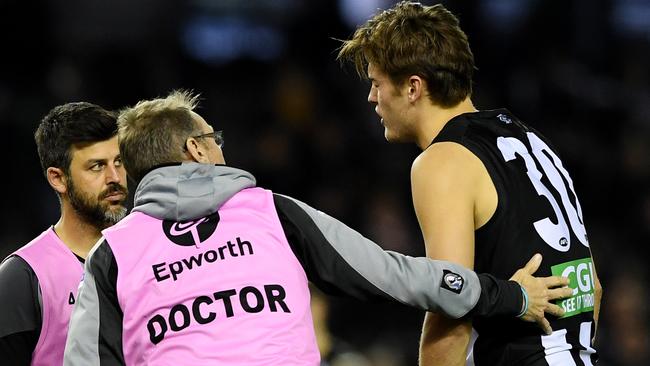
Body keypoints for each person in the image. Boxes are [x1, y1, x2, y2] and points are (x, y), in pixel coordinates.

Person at [63, 90, 569, 365]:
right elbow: (397, 275)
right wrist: (510, 296)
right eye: (213, 139)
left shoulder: (112, 254)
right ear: (197, 150)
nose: (221, 147)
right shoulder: (273, 213)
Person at [337, 1, 602, 365]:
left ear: (413, 87)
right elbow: (593, 289)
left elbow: (451, 303)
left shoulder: (442, 161)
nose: (372, 97)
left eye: (376, 83)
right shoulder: (531, 140)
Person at [0, 102, 128, 365]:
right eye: (97, 166)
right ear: (58, 178)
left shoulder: (148, 254)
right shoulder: (23, 278)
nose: (115, 177)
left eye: (119, 162)